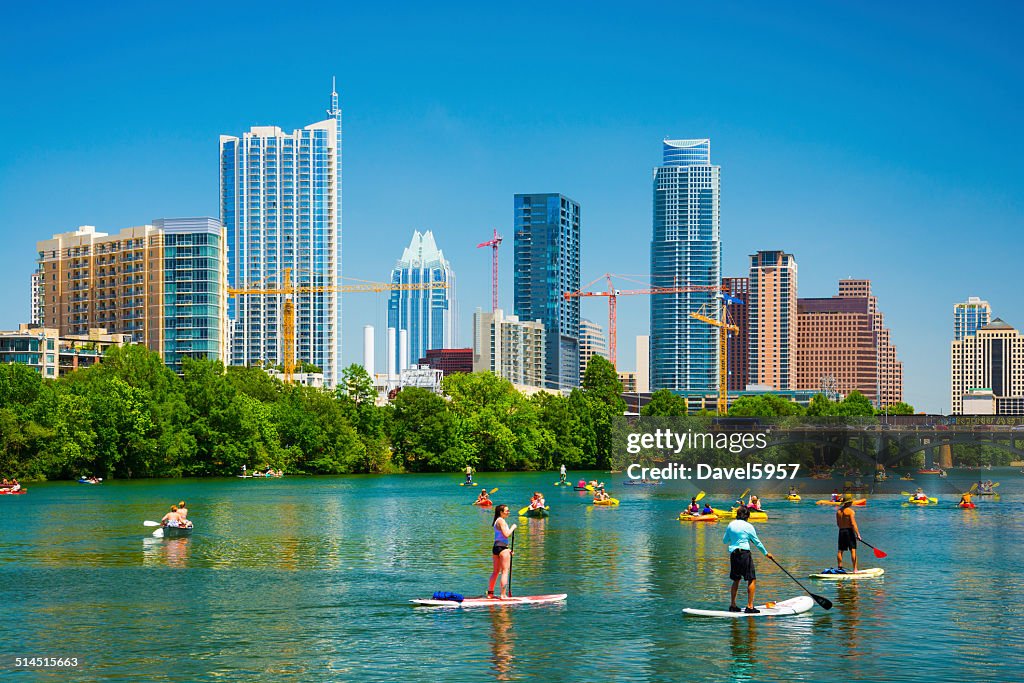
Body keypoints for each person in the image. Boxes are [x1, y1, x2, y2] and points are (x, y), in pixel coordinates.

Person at [722, 506, 774, 613]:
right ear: (747, 516)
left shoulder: (731, 524)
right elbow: (757, 542)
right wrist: (766, 553)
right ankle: (750, 607)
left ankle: (733, 605)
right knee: (751, 579)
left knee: (736, 580)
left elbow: (724, 540)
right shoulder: (749, 526)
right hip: (744, 554)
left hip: (734, 554)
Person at [487, 505, 517, 599]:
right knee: (505, 571)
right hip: (502, 548)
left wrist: (508, 550)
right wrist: (513, 527)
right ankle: (503, 595)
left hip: (496, 547)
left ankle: (490, 594)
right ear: (501, 512)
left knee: (496, 572)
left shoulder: (497, 521)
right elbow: (506, 534)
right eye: (507, 511)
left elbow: (501, 538)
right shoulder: (501, 521)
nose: (508, 512)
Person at [836, 494, 862, 573]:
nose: (852, 503)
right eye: (851, 501)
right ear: (848, 502)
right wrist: (858, 534)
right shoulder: (850, 512)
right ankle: (855, 569)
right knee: (853, 550)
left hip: (841, 531)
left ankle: (839, 568)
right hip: (849, 531)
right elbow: (853, 524)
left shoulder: (838, 512)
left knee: (840, 550)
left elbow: (838, 524)